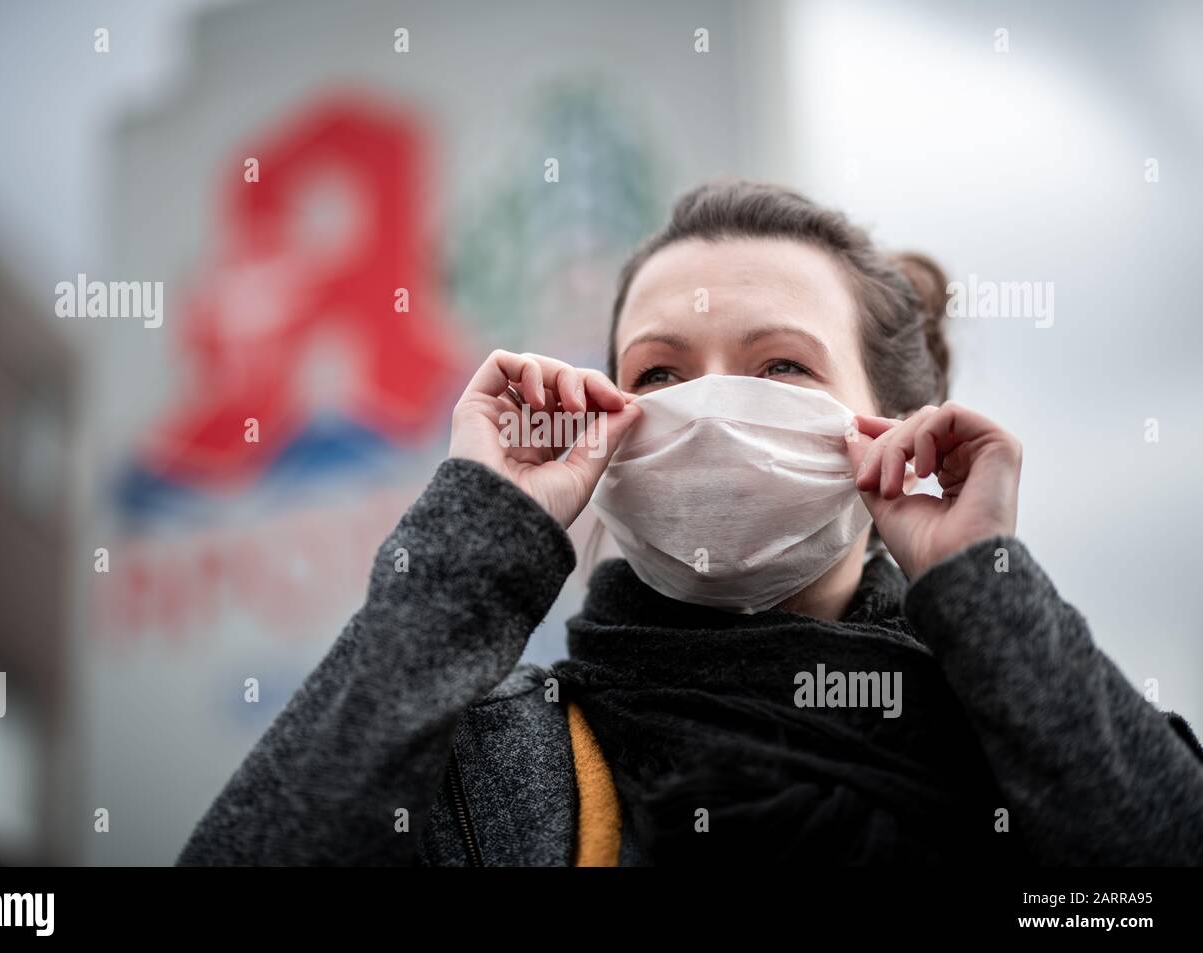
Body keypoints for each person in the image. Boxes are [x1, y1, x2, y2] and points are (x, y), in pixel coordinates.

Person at [176, 179, 1203, 866]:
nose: (707, 405)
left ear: (898, 433)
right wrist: (482, 534)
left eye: (781, 366)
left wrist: (984, 580)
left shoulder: (1017, 754)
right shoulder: (503, 773)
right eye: (657, 373)